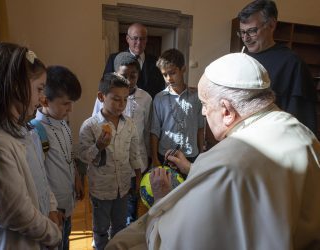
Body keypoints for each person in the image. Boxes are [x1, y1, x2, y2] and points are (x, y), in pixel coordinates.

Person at [105, 52, 320, 249]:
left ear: (227, 111)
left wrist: (161, 199)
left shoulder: (223, 163)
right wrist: (191, 167)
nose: (204, 111)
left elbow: (176, 241)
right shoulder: (304, 134)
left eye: (205, 104)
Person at [0, 42, 62, 249]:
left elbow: (39, 181)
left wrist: (50, 208)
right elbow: (16, 214)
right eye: (39, 89)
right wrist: (52, 233)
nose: (42, 98)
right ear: (15, 86)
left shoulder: (24, 134)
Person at [78, 73, 144, 250]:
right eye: (115, 99)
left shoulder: (129, 124)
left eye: (125, 99)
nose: (121, 104)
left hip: (122, 188)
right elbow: (83, 157)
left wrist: (138, 176)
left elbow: (134, 153)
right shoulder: (90, 126)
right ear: (101, 97)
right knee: (100, 228)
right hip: (100, 189)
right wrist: (98, 146)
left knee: (120, 227)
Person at [237, 0, 317, 134]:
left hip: (273, 142)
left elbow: (301, 120)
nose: (246, 38)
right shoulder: (242, 58)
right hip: (243, 139)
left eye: (252, 31)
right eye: (242, 32)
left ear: (272, 25)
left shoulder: (292, 63)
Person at [93, 52, 152, 225]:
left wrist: (146, 159)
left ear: (138, 75)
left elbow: (147, 129)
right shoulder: (105, 96)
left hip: (135, 162)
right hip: (110, 163)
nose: (129, 80)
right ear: (115, 73)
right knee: (110, 205)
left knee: (130, 205)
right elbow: (96, 124)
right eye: (123, 76)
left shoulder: (146, 98)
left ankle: (125, 233)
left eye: (133, 76)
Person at [33, 65, 84, 250]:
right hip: (53, 212)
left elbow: (68, 153)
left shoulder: (63, 122)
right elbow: (38, 178)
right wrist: (51, 209)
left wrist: (77, 176)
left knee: (65, 242)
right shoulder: (36, 132)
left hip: (67, 203)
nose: (70, 109)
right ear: (45, 101)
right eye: (65, 103)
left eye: (72, 103)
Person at [150, 48, 205, 167]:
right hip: (165, 154)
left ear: (183, 69)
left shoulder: (196, 97)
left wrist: (201, 154)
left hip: (190, 155)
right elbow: (155, 130)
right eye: (165, 74)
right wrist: (154, 158)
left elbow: (200, 128)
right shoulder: (159, 98)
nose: (169, 78)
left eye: (172, 73)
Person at [103, 23, 165, 98]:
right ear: (127, 39)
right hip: (121, 106)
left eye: (142, 39)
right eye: (135, 38)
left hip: (148, 107)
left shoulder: (156, 61)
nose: (139, 43)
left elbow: (160, 89)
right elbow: (106, 87)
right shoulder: (114, 59)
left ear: (146, 40)